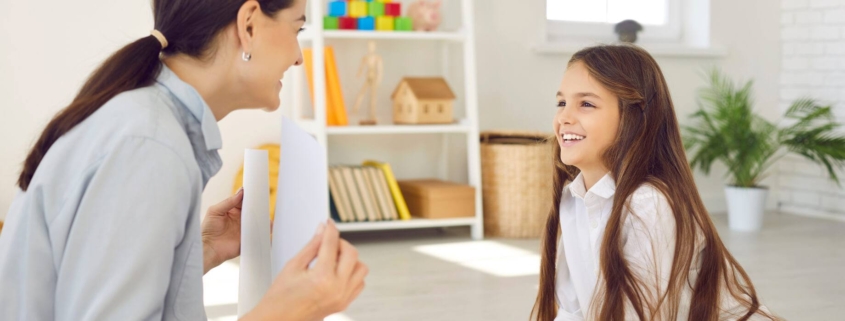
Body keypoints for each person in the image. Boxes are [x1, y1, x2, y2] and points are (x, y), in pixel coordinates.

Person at [0, 0, 368, 320]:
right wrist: (285, 313)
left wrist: (196, 254)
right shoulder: (149, 146)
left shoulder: (145, 124)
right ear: (249, 24)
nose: (298, 56)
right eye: (297, 29)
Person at [531, 44, 778, 321]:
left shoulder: (649, 204)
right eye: (561, 103)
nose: (564, 117)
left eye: (586, 104)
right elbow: (572, 311)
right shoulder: (573, 198)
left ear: (633, 119)